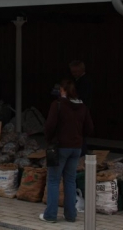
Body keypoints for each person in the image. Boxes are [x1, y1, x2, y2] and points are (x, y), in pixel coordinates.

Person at [40, 78, 94, 224]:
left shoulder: (57, 105)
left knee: (53, 181)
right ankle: (71, 215)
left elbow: (49, 126)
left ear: (63, 91)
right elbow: (89, 128)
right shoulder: (83, 107)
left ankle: (50, 215)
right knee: (70, 181)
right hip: (76, 148)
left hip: (59, 147)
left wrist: (49, 139)